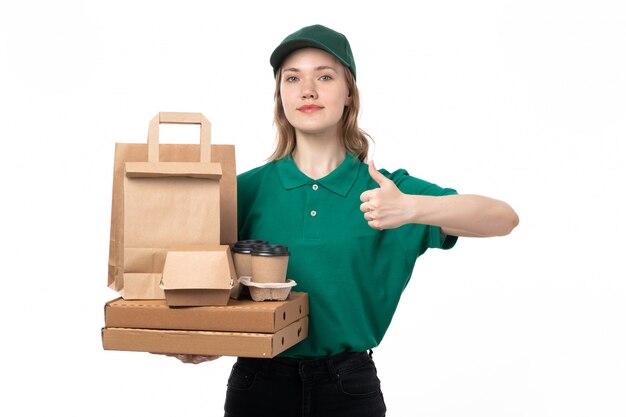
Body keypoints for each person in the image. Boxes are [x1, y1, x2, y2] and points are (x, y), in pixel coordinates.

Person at [175, 24, 519, 417]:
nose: (308, 89)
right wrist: (199, 340)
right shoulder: (243, 190)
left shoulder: (389, 192)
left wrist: (412, 208)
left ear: (349, 92)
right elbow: (205, 285)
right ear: (281, 95)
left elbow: (503, 218)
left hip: (348, 389)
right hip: (258, 384)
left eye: (324, 76)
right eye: (293, 78)